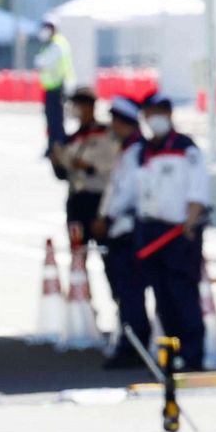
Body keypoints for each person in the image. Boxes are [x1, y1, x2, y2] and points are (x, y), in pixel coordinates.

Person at [134, 93, 209, 370]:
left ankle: (192, 355)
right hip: (152, 231)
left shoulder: (185, 148)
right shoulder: (145, 151)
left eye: (159, 112)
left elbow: (198, 188)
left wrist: (191, 219)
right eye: (150, 113)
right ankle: (173, 350)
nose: (154, 118)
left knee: (183, 294)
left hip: (180, 232)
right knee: (162, 296)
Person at [93, 96, 151, 369]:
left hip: (127, 229)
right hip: (120, 228)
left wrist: (107, 217)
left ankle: (133, 346)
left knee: (129, 291)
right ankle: (132, 342)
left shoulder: (136, 151)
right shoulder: (128, 150)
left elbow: (125, 191)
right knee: (125, 291)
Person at [51, 87, 116, 244]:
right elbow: (63, 174)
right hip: (77, 201)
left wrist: (88, 167)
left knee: (107, 252)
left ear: (90, 106)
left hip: (99, 200)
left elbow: (111, 164)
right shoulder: (72, 139)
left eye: (79, 104)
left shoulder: (106, 134)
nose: (75, 109)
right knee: (77, 249)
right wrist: (56, 162)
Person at [33, 20, 75, 155]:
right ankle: (54, 146)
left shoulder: (57, 44)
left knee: (55, 119)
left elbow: (42, 62)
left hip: (57, 87)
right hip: (51, 87)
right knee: (52, 119)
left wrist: (40, 61)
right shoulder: (52, 44)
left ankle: (57, 146)